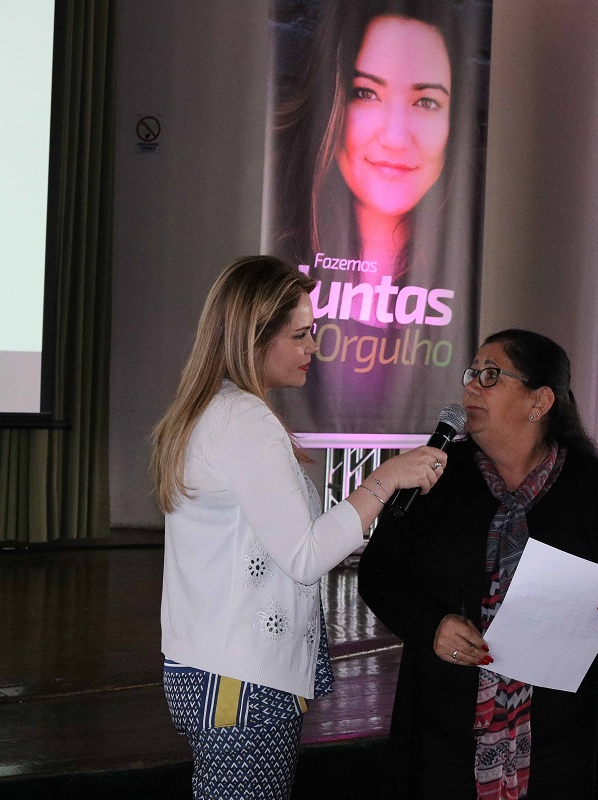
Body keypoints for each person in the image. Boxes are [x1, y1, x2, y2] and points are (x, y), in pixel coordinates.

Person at [150, 255, 449, 799]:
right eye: (300, 335)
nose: (314, 347)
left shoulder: (220, 410)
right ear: (252, 339)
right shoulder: (242, 419)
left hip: (221, 670)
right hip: (241, 677)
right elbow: (306, 556)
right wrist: (384, 480)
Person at [358, 329, 598, 799]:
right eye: (472, 373)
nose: (471, 386)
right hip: (442, 731)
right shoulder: (434, 475)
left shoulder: (593, 487)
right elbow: (378, 573)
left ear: (539, 401)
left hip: (557, 739)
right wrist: (431, 625)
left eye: (491, 375)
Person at [266, 0, 484, 434]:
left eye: (426, 102)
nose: (396, 137)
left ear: (454, 123)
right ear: (331, 101)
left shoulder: (477, 272)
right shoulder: (269, 254)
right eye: (366, 93)